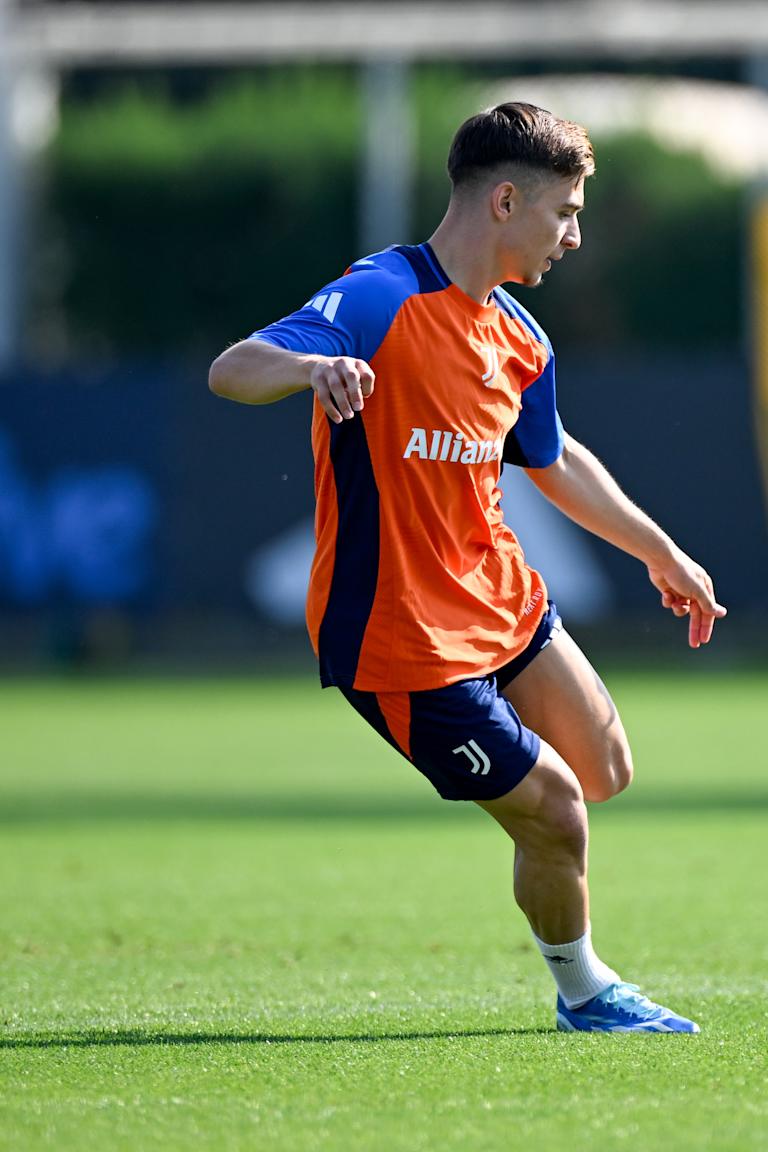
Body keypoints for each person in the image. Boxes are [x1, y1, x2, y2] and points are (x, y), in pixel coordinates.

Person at [209, 102, 726, 1033]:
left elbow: (555, 458)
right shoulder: (378, 297)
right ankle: (586, 993)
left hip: (498, 597)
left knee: (604, 767)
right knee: (561, 812)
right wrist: (309, 371)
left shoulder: (520, 337)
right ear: (503, 201)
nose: (574, 234)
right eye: (564, 211)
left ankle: (541, 848)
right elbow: (234, 368)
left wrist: (665, 553)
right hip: (399, 635)